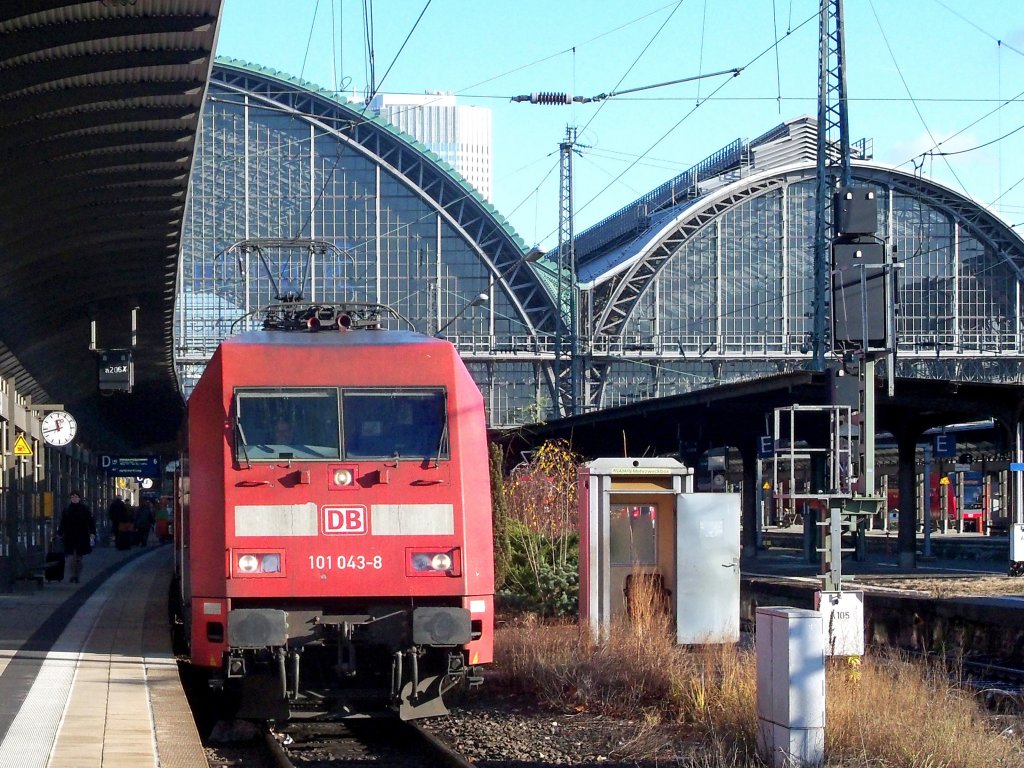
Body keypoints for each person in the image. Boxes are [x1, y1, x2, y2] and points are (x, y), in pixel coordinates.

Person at [57, 491, 96, 584]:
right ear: (70, 498)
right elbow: (63, 523)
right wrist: (60, 533)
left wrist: (92, 533)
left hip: (81, 536)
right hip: (70, 536)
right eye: (73, 497)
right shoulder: (67, 510)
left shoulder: (84, 509)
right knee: (71, 558)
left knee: (78, 557)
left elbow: (90, 522)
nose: (74, 498)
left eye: (76, 497)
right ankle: (73, 575)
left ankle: (76, 575)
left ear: (79, 498)